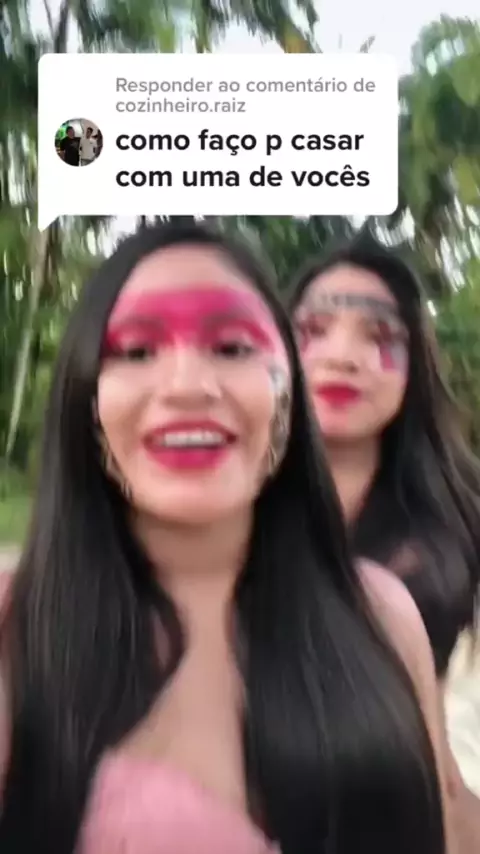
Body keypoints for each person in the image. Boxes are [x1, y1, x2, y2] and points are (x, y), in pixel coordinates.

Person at [0, 223, 450, 854]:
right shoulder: (13, 631)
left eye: (233, 348)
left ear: (290, 392)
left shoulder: (384, 614)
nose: (187, 386)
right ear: (83, 396)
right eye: (137, 352)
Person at [289, 232, 480, 849]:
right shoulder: (211, 516)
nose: (343, 357)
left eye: (378, 338)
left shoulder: (465, 525)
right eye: (314, 331)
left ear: (415, 366)